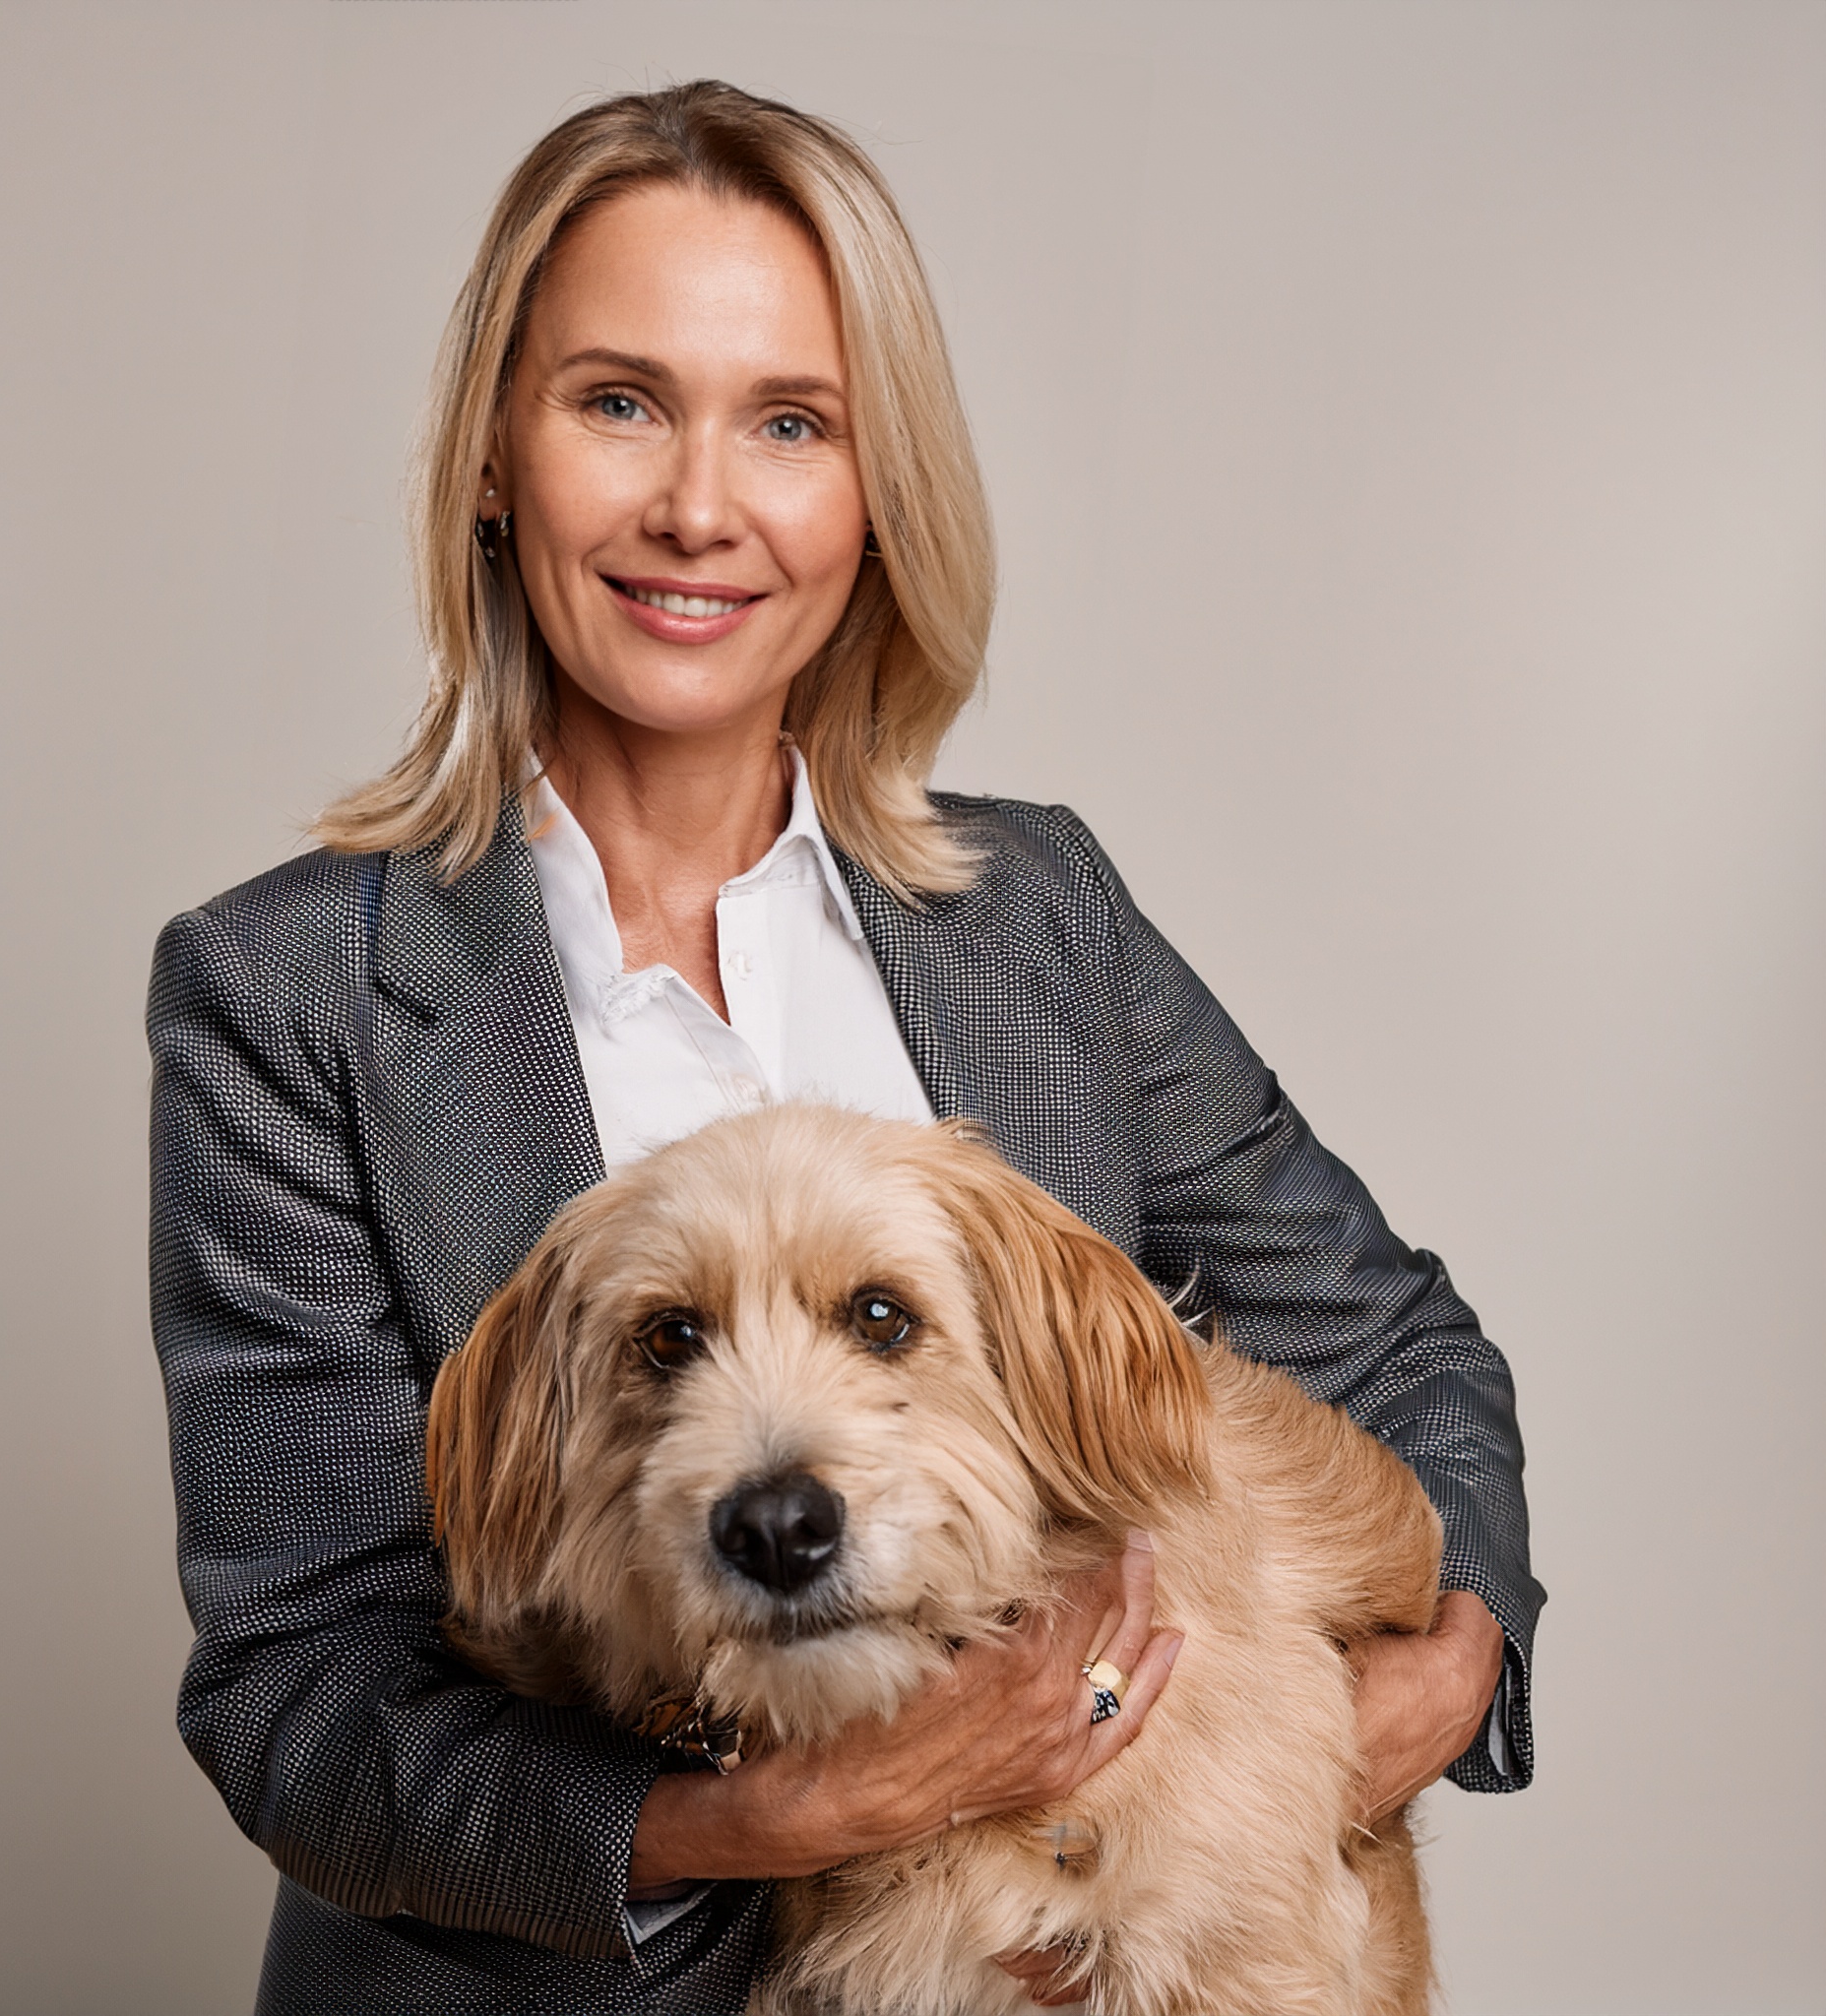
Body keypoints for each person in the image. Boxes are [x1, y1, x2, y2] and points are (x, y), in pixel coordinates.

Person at [148, 80, 1541, 2016]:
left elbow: (1393, 1343)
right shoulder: (289, 989)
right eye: (618, 402)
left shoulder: (1036, 914)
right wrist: (787, 1815)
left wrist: (1436, 1674)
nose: (698, 505)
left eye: (789, 422)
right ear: (491, 457)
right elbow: (303, 1698)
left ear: (874, 495)